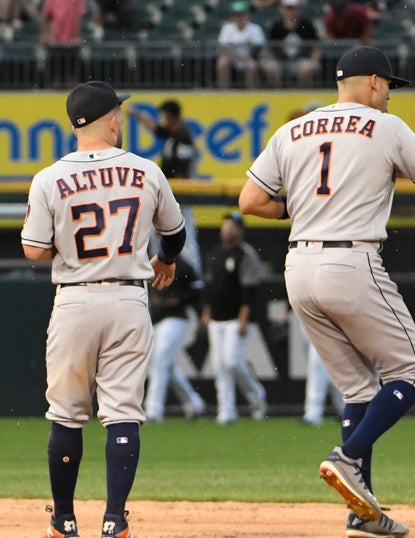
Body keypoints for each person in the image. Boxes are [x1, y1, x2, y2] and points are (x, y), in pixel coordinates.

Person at [238, 44, 415, 536]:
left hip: (298, 265)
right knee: (412, 373)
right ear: (375, 83)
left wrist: (303, 211)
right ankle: (349, 456)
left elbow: (251, 200)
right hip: (351, 260)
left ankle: (362, 511)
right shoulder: (386, 127)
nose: (390, 97)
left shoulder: (293, 128)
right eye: (389, 88)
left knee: (358, 388)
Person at [22, 81, 186, 538]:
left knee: (66, 413)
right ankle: (115, 520)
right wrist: (165, 262)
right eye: (118, 112)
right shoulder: (145, 170)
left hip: (74, 297)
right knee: (122, 414)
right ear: (111, 120)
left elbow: (34, 250)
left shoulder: (49, 177)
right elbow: (174, 234)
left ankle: (64, 519)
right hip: (128, 297)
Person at [201, 212, 268, 425]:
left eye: (232, 226)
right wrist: (207, 310)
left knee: (232, 361)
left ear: (240, 230)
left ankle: (256, 396)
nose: (227, 229)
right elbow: (210, 286)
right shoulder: (215, 254)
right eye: (225, 226)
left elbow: (250, 288)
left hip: (235, 318)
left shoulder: (245, 254)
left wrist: (244, 316)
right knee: (219, 365)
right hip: (217, 317)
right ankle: (226, 411)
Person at [128, 98, 202, 275]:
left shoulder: (183, 137)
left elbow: (181, 172)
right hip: (169, 193)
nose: (163, 118)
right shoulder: (172, 133)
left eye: (164, 114)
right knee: (156, 233)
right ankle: (157, 272)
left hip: (179, 194)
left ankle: (194, 277)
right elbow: (156, 128)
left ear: (170, 115)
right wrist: (137, 115)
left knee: (186, 237)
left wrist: (173, 196)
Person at [144, 253, 207, 423]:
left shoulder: (184, 265)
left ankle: (153, 410)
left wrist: (178, 300)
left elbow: (197, 293)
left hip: (176, 317)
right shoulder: (152, 261)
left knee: (160, 359)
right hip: (155, 318)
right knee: (166, 365)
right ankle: (194, 403)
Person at [261, 0, 321, 88]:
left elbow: (315, 45)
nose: (290, 11)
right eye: (288, 8)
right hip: (280, 60)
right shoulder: (276, 26)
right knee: (271, 67)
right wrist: (270, 59)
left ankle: (300, 93)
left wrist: (314, 60)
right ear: (283, 8)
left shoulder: (307, 25)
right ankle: (277, 93)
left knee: (306, 67)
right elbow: (270, 46)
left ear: (298, 9)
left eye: (293, 8)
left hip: (300, 60)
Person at [39, 0, 86, 88]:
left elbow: (78, 18)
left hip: (71, 42)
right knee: (55, 72)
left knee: (72, 73)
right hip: (55, 40)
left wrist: (77, 37)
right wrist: (43, 34)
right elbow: (47, 17)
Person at [216, 0, 266, 89]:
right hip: (232, 59)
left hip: (248, 58)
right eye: (237, 15)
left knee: (251, 65)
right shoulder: (227, 28)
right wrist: (236, 56)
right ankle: (223, 92)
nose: (240, 18)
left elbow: (257, 48)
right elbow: (223, 47)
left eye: (242, 15)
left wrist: (246, 57)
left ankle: (251, 94)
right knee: (222, 62)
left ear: (248, 15)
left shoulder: (255, 29)